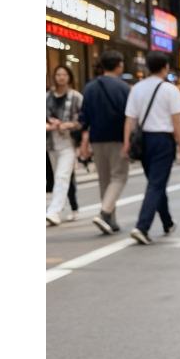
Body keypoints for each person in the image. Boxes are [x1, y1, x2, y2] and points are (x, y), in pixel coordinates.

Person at [122, 52, 180, 245]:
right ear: (165, 67)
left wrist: (126, 143)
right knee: (156, 184)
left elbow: (130, 119)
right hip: (163, 140)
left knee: (155, 182)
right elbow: (177, 122)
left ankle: (167, 222)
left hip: (143, 141)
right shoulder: (170, 90)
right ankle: (142, 227)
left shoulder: (137, 88)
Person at [78, 50, 131, 234]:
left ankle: (111, 220)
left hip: (97, 138)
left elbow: (84, 117)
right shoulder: (124, 88)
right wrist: (128, 140)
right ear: (119, 65)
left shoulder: (90, 87)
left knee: (105, 179)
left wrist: (84, 142)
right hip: (118, 137)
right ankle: (105, 214)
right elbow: (129, 116)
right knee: (119, 177)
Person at [45, 65, 83, 226]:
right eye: (58, 74)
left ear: (69, 77)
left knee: (62, 176)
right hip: (50, 143)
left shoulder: (76, 97)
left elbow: (83, 120)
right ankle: (74, 207)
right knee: (62, 177)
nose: (61, 77)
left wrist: (68, 125)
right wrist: (49, 126)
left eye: (64, 74)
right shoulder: (46, 97)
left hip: (69, 143)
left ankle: (53, 212)